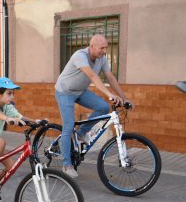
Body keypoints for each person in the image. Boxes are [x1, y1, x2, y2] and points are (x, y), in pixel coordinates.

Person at [55, 34, 132, 178]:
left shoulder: (102, 59)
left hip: (80, 91)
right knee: (68, 126)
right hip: (64, 92)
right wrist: (110, 95)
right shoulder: (80, 55)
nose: (104, 51)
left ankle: (79, 134)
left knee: (103, 108)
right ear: (92, 46)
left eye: (106, 48)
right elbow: (92, 76)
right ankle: (67, 165)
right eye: (102, 48)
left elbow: (110, 77)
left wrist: (123, 97)